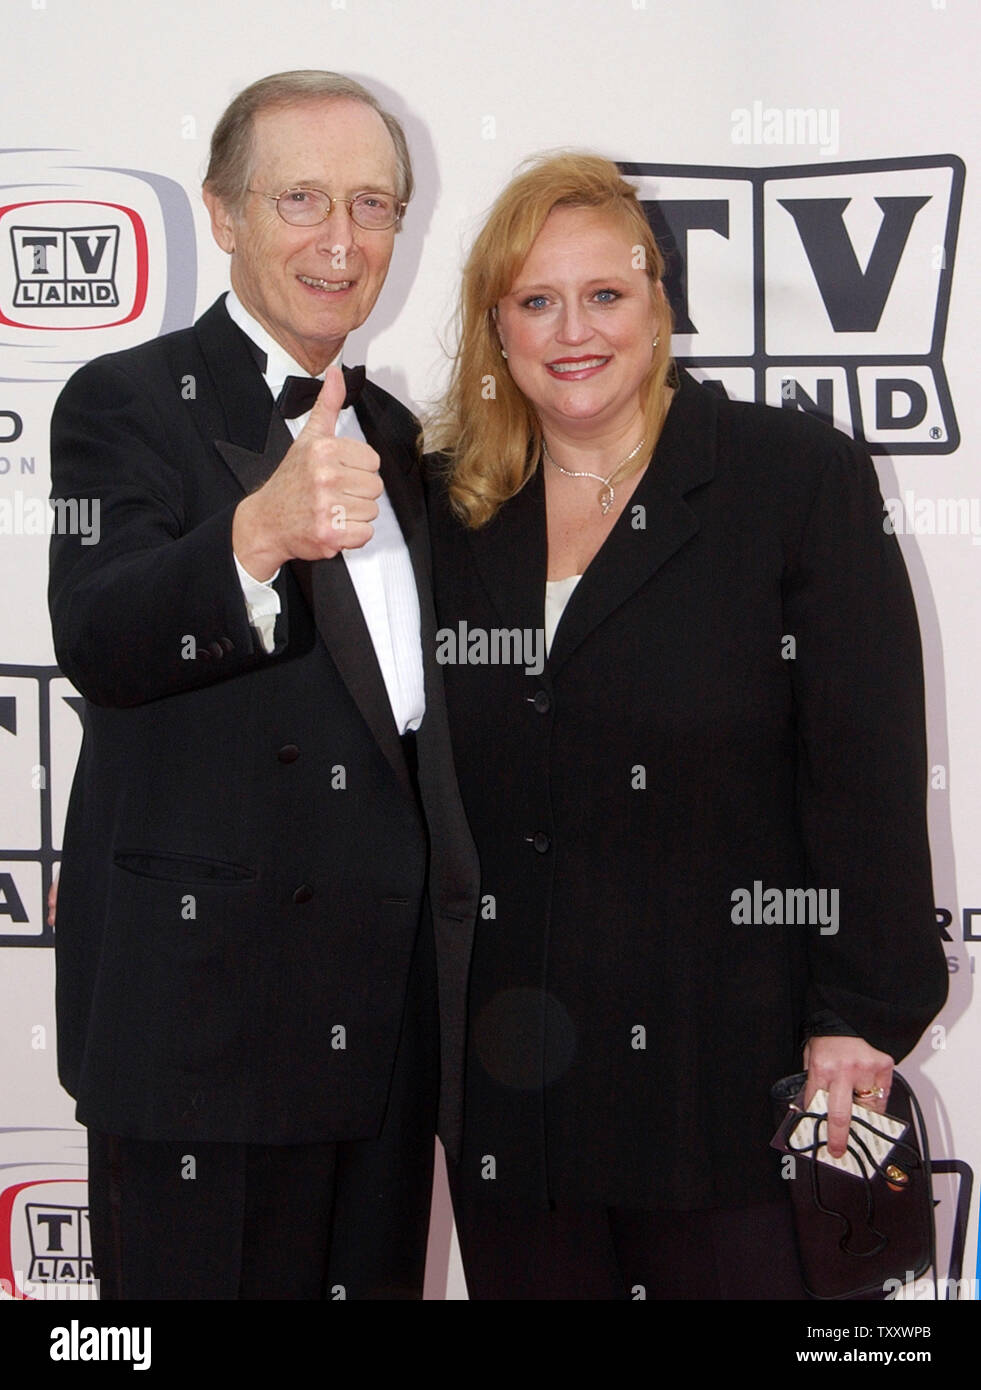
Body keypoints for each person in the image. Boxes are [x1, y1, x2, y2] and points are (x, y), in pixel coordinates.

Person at [425, 153, 948, 1300]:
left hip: (730, 1075)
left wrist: (860, 1013)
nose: (575, 330)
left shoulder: (789, 478)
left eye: (606, 294)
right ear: (495, 327)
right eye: (535, 300)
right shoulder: (449, 504)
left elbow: (862, 764)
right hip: (516, 1083)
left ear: (659, 306)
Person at [48, 70, 478, 1300]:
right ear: (223, 215)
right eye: (300, 198)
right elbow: (100, 632)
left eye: (373, 205)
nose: (341, 241)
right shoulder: (126, 401)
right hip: (204, 1032)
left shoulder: (406, 440)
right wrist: (259, 532)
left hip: (383, 1038)